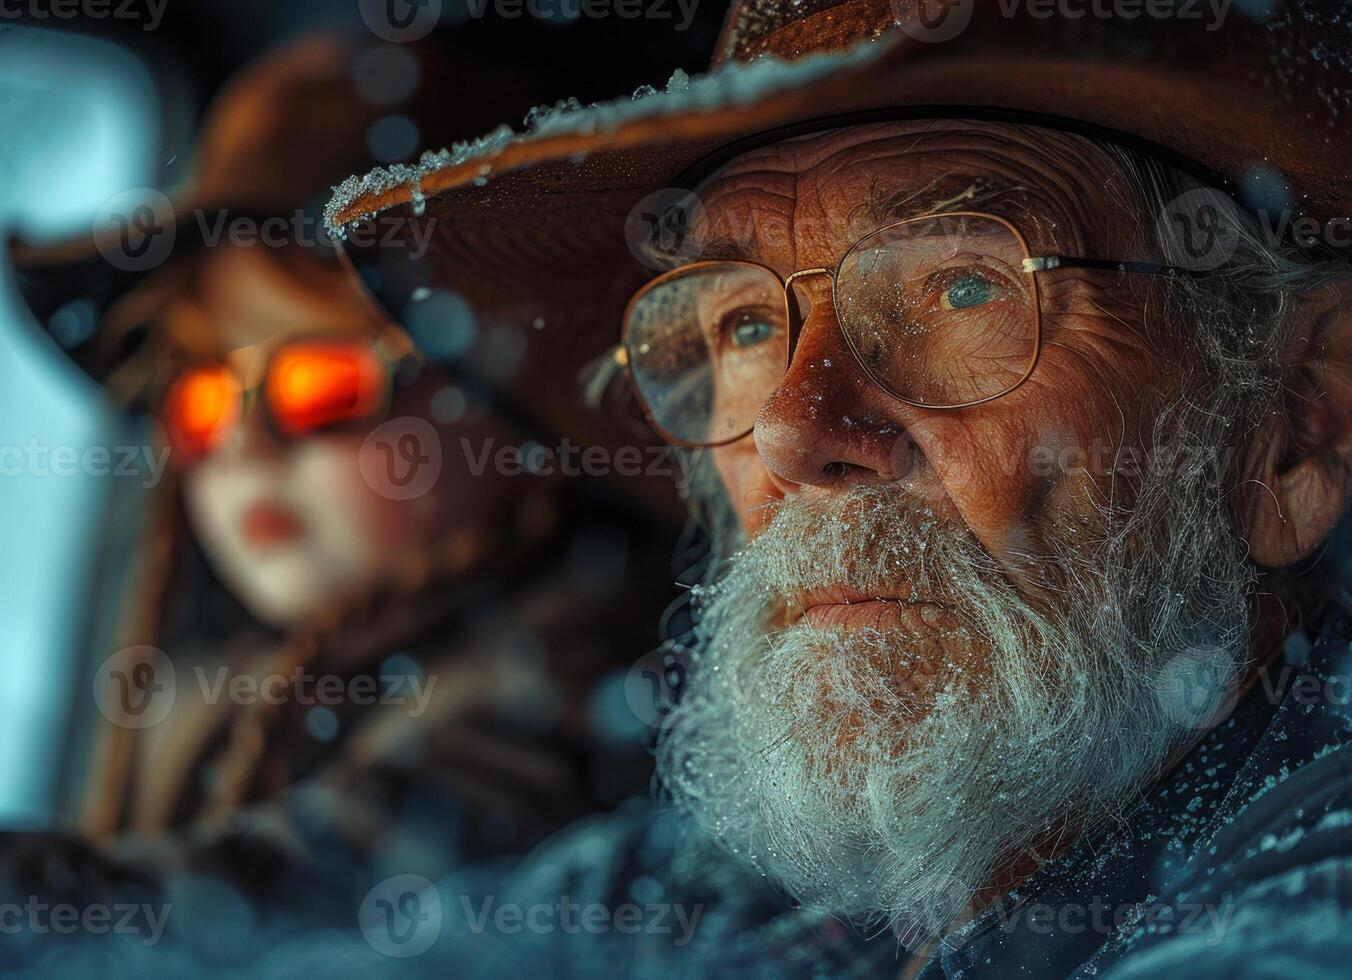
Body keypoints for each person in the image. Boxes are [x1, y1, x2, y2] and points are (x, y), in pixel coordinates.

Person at [314, 1, 1352, 976]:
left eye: (959, 286)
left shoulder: (1312, 876)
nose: (793, 431)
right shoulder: (758, 880)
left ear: (1296, 425)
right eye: (748, 326)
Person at [5, 34, 679, 910]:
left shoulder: (594, 675)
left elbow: (315, 897)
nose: (243, 445)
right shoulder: (209, 708)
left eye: (317, 384)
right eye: (201, 400)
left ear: (520, 390)